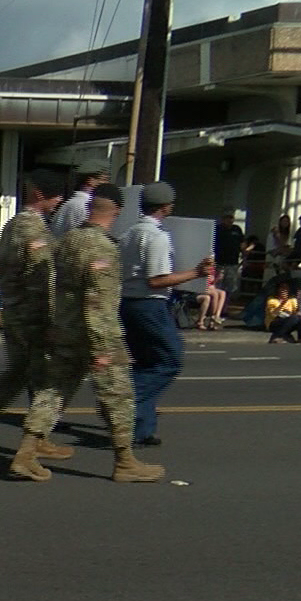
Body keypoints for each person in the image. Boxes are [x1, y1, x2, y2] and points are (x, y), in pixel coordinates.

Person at [15, 184, 164, 483]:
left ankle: (25, 453)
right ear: (117, 211)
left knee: (52, 392)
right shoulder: (102, 247)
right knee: (119, 396)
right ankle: (125, 462)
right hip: (98, 333)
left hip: (65, 329)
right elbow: (98, 301)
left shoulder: (68, 240)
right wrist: (101, 348)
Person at [0, 168, 65, 450]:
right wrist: (52, 319)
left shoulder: (14, 224)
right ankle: (33, 437)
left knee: (19, 373)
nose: (59, 202)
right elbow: (41, 277)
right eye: (56, 196)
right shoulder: (33, 229)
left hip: (16, 310)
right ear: (41, 195)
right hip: (32, 314)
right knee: (45, 379)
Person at [118, 181, 212, 447]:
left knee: (146, 361)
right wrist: (196, 273)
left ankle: (141, 428)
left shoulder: (129, 233)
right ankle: (127, 401)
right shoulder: (156, 236)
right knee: (170, 359)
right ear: (166, 206)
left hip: (128, 303)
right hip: (149, 304)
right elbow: (156, 280)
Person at [50, 161, 110, 238]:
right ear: (91, 181)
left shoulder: (73, 203)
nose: (108, 184)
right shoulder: (85, 205)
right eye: (104, 179)